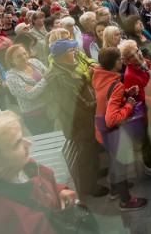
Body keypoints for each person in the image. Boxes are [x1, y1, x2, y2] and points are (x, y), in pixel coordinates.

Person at [0, 111, 79, 234]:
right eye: (17, 143)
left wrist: (60, 191)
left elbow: (41, 186)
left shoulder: (19, 167)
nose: (29, 142)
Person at [44, 39, 109, 198]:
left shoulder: (66, 68)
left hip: (85, 119)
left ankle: (95, 172)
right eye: (72, 51)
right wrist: (98, 103)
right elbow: (76, 104)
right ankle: (89, 186)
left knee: (91, 148)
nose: (76, 53)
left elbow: (80, 86)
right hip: (78, 123)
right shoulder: (59, 76)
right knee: (85, 152)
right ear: (65, 54)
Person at [92, 47, 148, 211]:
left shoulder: (100, 77)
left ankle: (115, 189)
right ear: (116, 62)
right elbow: (112, 119)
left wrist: (125, 93)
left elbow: (107, 97)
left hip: (101, 132)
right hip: (113, 133)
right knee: (119, 164)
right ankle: (125, 201)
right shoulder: (115, 84)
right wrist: (129, 105)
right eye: (120, 60)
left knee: (113, 160)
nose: (121, 62)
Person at [119, 40, 151, 178]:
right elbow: (141, 98)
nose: (139, 53)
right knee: (147, 141)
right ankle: (148, 166)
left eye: (138, 50)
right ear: (128, 61)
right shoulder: (130, 75)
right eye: (134, 53)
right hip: (146, 112)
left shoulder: (144, 62)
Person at [5, 44, 53, 135]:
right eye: (19, 56)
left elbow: (51, 77)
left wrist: (35, 87)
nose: (24, 57)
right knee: (46, 143)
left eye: (24, 53)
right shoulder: (11, 77)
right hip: (35, 117)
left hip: (51, 109)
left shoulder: (35, 62)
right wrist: (44, 80)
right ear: (11, 60)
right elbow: (31, 94)